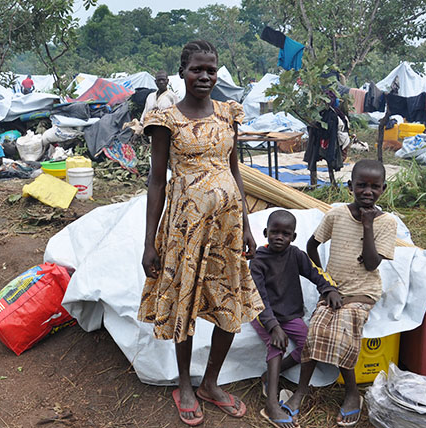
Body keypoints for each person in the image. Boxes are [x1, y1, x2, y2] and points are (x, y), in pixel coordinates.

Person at [140, 40, 262, 426]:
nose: (205, 76)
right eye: (197, 69)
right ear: (183, 72)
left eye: (211, 70)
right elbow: (157, 182)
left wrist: (246, 224)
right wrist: (149, 242)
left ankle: (210, 382)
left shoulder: (229, 114)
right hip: (184, 230)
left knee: (229, 305)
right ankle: (185, 385)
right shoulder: (166, 120)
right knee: (185, 304)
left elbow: (235, 173)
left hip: (227, 228)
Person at [281, 159, 397, 427]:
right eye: (361, 186)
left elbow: (371, 263)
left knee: (345, 328)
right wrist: (325, 282)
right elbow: (312, 245)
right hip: (334, 291)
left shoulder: (386, 223)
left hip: (363, 294)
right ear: (350, 187)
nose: (367, 192)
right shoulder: (336, 215)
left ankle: (352, 393)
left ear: (383, 189)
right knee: (316, 329)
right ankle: (300, 390)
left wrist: (367, 225)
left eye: (374, 187)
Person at [250, 210, 340, 428]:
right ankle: (272, 404)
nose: (279, 237)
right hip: (264, 315)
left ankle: (271, 375)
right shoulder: (258, 262)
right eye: (274, 232)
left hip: (290, 314)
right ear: (265, 233)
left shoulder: (296, 254)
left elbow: (315, 272)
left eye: (285, 233)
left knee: (309, 344)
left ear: (293, 237)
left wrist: (329, 289)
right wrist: (273, 327)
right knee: (277, 346)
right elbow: (259, 299)